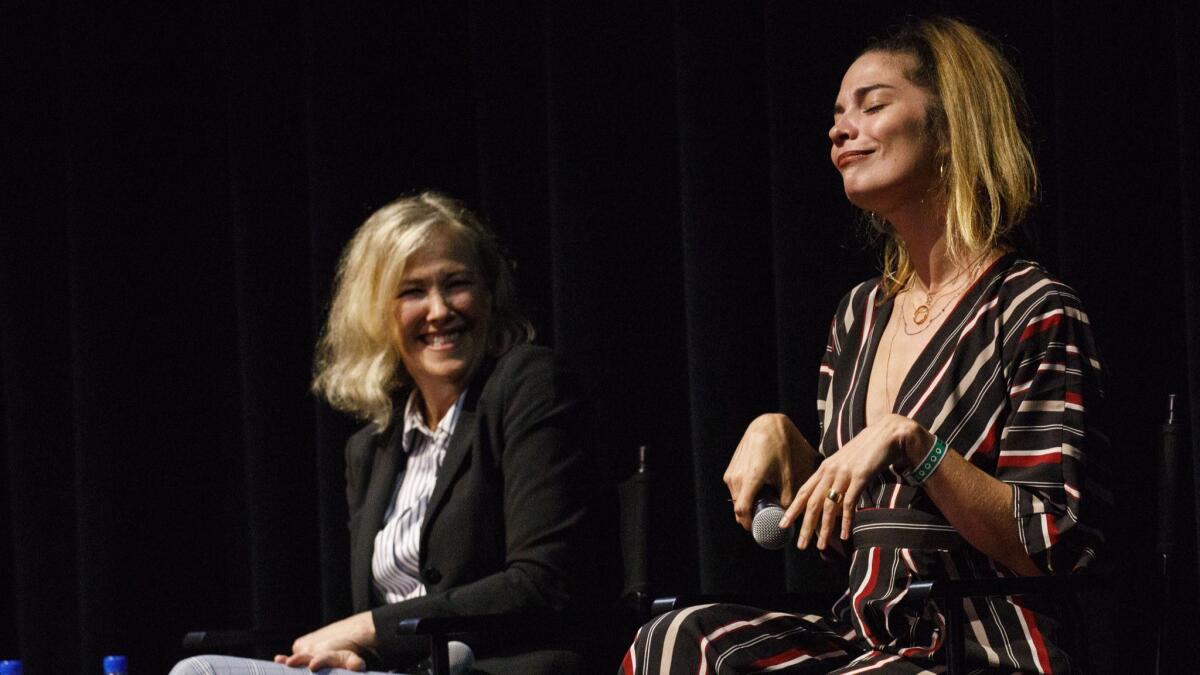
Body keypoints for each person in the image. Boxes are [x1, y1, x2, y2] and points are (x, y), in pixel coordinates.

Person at [624, 17, 1108, 674]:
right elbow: (848, 535)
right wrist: (791, 445)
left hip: (985, 643)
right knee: (676, 637)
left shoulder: (1031, 307)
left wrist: (916, 444)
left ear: (948, 129)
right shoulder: (860, 315)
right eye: (836, 114)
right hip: (868, 632)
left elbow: (1051, 543)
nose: (840, 129)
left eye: (872, 104)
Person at [173, 192, 609, 675]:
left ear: (489, 294)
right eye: (413, 292)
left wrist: (363, 631)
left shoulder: (528, 386)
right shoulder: (372, 449)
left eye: (457, 284)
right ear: (377, 313)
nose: (439, 311)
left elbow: (542, 584)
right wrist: (356, 652)